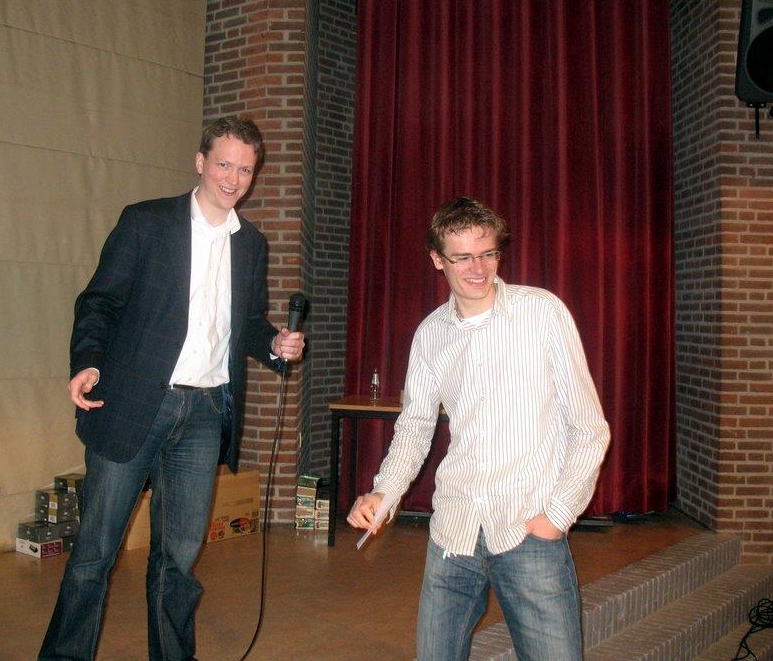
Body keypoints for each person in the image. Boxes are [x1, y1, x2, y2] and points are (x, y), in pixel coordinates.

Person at [39, 117, 305, 661]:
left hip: (205, 413)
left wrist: (275, 343)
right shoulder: (146, 222)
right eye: (224, 164)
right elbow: (99, 302)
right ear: (200, 162)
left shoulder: (251, 244)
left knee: (178, 560)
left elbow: (246, 324)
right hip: (135, 403)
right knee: (94, 555)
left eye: (245, 169)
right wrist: (88, 362)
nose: (233, 178)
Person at [347, 197, 610, 661]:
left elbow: (589, 427)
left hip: (528, 527)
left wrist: (557, 515)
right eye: (463, 257)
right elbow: (415, 427)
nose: (479, 268)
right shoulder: (430, 334)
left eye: (488, 253)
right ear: (437, 259)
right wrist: (382, 493)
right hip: (454, 530)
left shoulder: (542, 313)